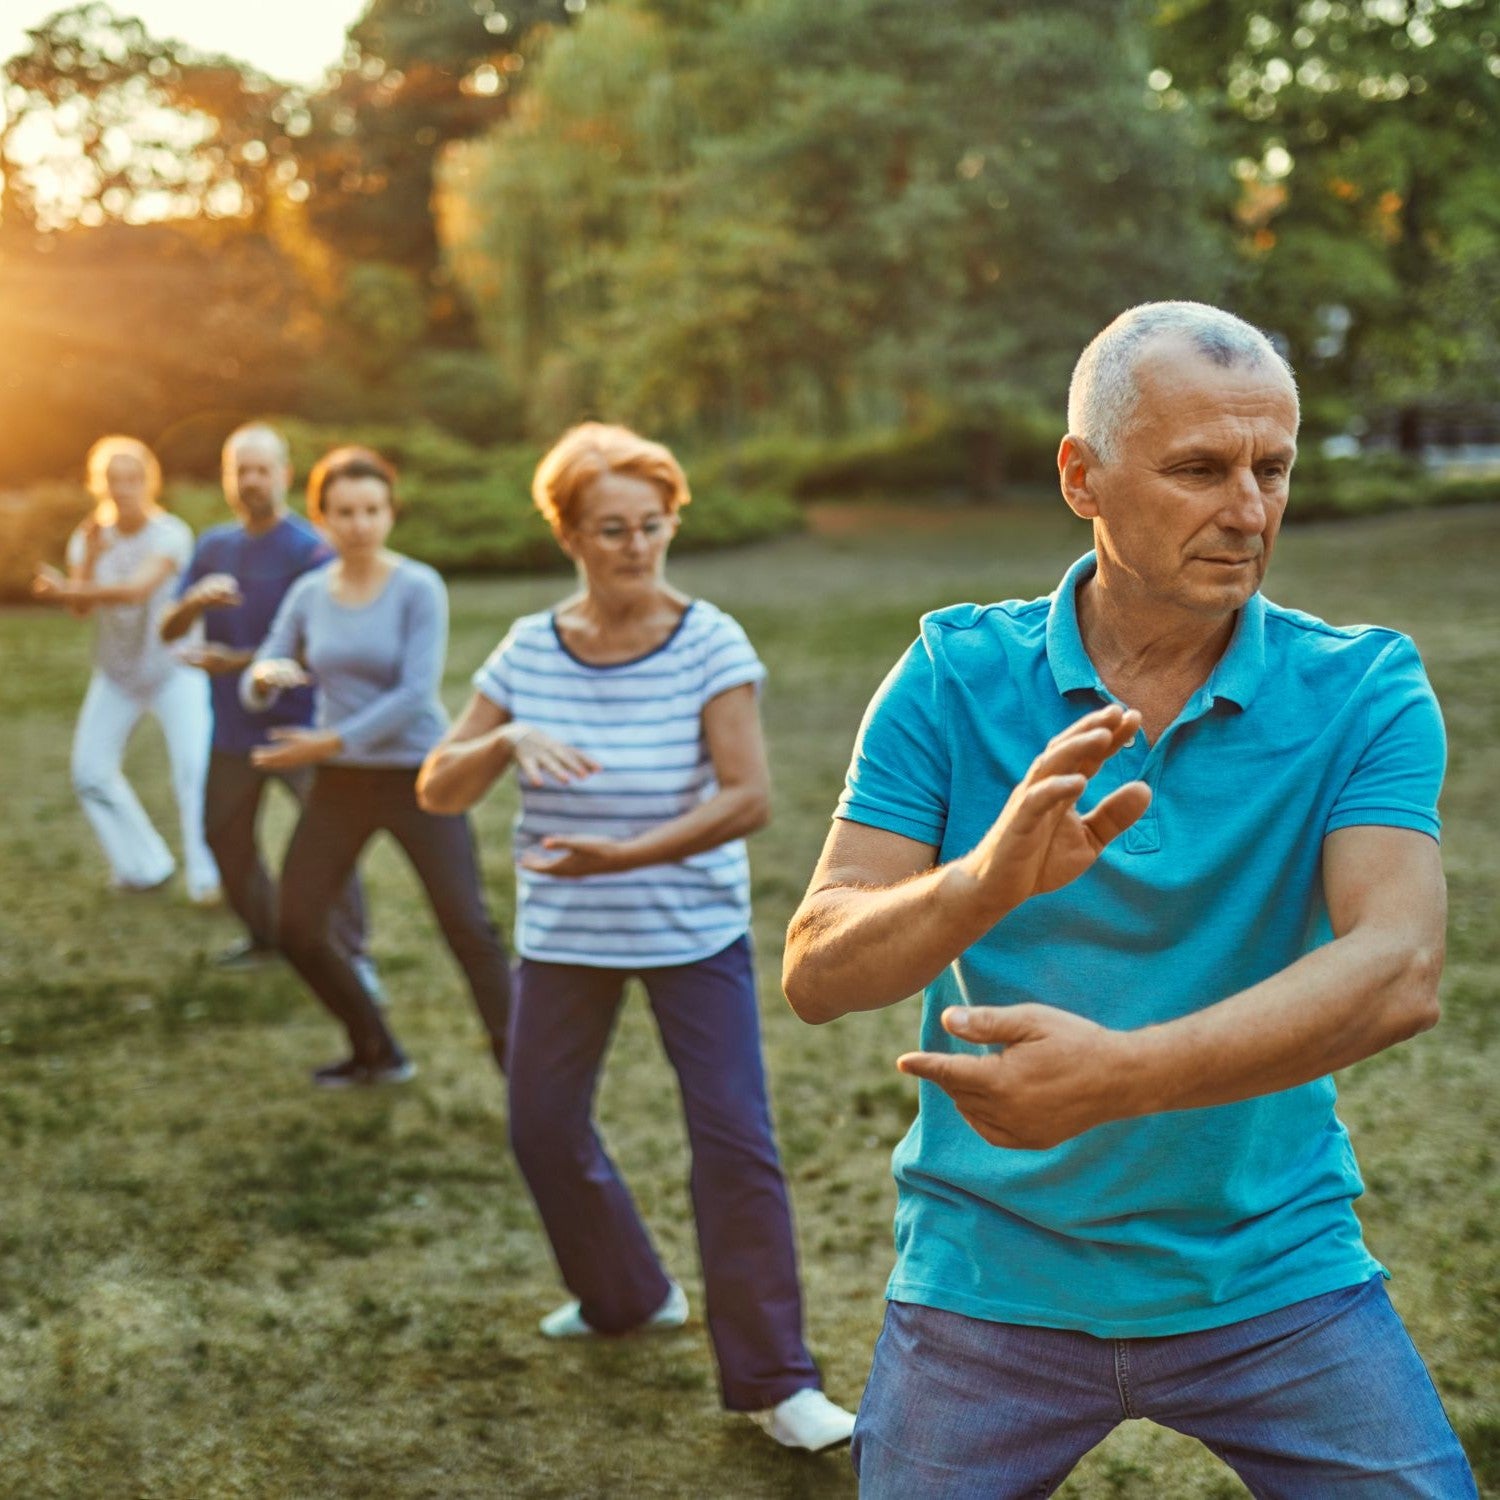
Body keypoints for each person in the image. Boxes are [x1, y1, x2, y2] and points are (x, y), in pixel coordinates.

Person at [783, 302, 1477, 1497]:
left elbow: (1400, 969)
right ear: (1081, 478)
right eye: (1200, 469)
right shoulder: (953, 674)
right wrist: (980, 882)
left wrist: (1121, 1077)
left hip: (1271, 1270)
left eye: (1273, 469)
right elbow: (818, 970)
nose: (1250, 511)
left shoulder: (1363, 687)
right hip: (990, 1279)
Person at [416, 422, 857, 1452]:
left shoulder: (709, 641)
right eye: (612, 529)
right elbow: (438, 786)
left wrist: (625, 854)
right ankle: (625, 1295)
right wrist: (503, 736)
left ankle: (778, 1383)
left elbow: (748, 797)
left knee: (734, 1145)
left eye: (653, 525)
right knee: (541, 1128)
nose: (637, 547)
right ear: (569, 534)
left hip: (689, 930)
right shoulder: (528, 648)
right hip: (566, 934)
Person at [241, 446, 510, 1087]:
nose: (359, 524)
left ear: (390, 513)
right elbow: (262, 670)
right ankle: (376, 1049)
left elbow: (414, 694)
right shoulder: (310, 592)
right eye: (344, 512)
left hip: (420, 776)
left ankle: (527, 1082)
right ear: (322, 518)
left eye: (371, 510)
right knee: (297, 927)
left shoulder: (418, 586)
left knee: (467, 927)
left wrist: (325, 742)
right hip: (342, 783)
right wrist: (265, 678)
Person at [159, 424, 371, 980]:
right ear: (227, 478)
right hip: (233, 731)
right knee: (222, 835)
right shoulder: (213, 547)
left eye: (261, 469)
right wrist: (193, 603)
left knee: (330, 840)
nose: (251, 480)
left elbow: (321, 643)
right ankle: (266, 936)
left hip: (300, 727)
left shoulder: (310, 550)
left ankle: (354, 953)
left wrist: (237, 662)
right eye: (241, 470)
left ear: (284, 475)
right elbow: (167, 630)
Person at [32, 435, 219, 903]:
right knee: (90, 772)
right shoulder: (88, 538)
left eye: (133, 479)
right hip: (118, 672)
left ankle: (207, 880)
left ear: (148, 482)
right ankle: (144, 867)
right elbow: (80, 610)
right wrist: (91, 558)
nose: (123, 489)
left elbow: (136, 590)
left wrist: (65, 589)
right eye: (114, 480)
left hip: (175, 668)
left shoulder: (171, 533)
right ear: (100, 486)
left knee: (193, 770)